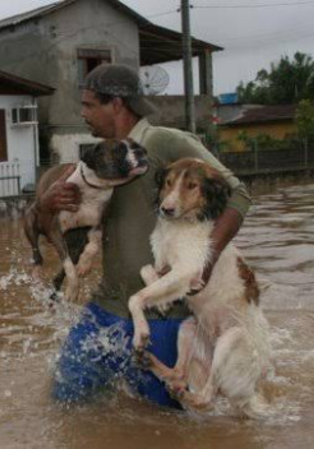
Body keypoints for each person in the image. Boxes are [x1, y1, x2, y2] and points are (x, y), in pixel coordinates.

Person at [46, 64, 252, 408]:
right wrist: (47, 201)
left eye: (88, 104)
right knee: (66, 404)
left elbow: (239, 194)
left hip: (162, 314)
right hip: (107, 306)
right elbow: (59, 217)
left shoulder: (164, 140)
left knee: (165, 420)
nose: (81, 113)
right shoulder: (105, 160)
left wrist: (207, 261)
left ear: (116, 104)